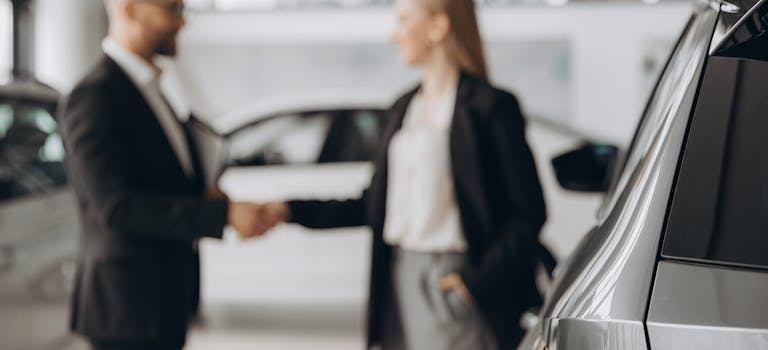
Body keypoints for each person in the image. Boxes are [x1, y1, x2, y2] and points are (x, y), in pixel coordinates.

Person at [260, 0, 548, 347]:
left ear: (438, 28)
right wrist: (290, 210)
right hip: (396, 276)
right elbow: (374, 205)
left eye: (403, 21)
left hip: (453, 278)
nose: (393, 36)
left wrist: (476, 282)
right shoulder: (402, 108)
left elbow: (528, 213)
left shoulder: (490, 108)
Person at [58, 1, 275, 349]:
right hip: (125, 311)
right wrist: (220, 216)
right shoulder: (95, 95)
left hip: (160, 301)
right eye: (171, 9)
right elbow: (116, 207)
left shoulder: (150, 89)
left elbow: (156, 181)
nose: (182, 22)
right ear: (129, 9)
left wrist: (205, 196)